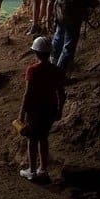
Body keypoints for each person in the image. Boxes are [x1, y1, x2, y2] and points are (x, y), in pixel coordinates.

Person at [18, 36, 66, 183]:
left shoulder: (32, 70)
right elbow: (61, 93)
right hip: (50, 109)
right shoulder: (56, 70)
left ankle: (32, 170)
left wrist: (22, 112)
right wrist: (60, 110)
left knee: (32, 139)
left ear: (36, 53)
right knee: (43, 138)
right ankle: (43, 169)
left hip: (35, 110)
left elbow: (28, 93)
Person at [48, 0, 96, 70]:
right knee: (69, 45)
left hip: (60, 18)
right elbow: (92, 3)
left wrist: (47, 18)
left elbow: (50, 1)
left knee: (58, 38)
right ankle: (59, 71)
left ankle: (52, 66)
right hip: (75, 19)